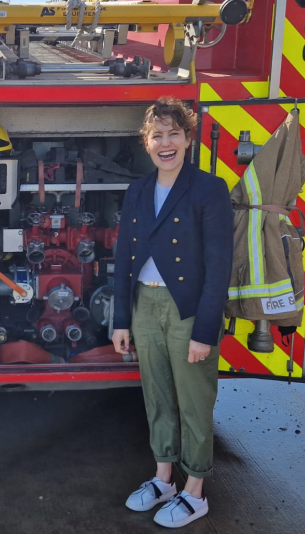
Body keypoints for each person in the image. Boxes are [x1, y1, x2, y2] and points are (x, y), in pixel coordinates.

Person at [111, 97, 233, 528]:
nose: (166, 143)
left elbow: (219, 267)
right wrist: (121, 319)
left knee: (195, 403)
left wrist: (205, 330)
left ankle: (194, 489)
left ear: (188, 139)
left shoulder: (208, 189)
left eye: (173, 134)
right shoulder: (138, 191)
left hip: (186, 309)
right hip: (146, 304)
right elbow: (124, 255)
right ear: (146, 143)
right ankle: (163, 477)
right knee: (158, 398)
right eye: (157, 135)